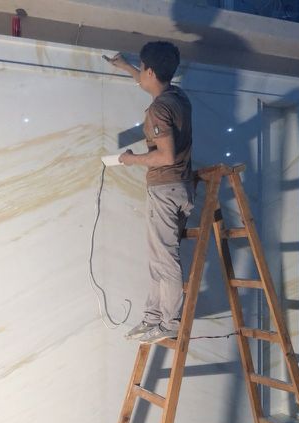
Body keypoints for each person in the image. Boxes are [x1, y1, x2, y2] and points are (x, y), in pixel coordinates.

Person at [104, 41, 194, 343]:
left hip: (165, 187)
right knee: (159, 256)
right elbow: (150, 85)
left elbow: (165, 156)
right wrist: (126, 67)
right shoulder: (178, 97)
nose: (140, 74)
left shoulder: (159, 109)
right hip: (179, 187)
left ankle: (169, 323)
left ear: (151, 71)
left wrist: (131, 160)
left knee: (164, 258)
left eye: (142, 68)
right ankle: (153, 317)